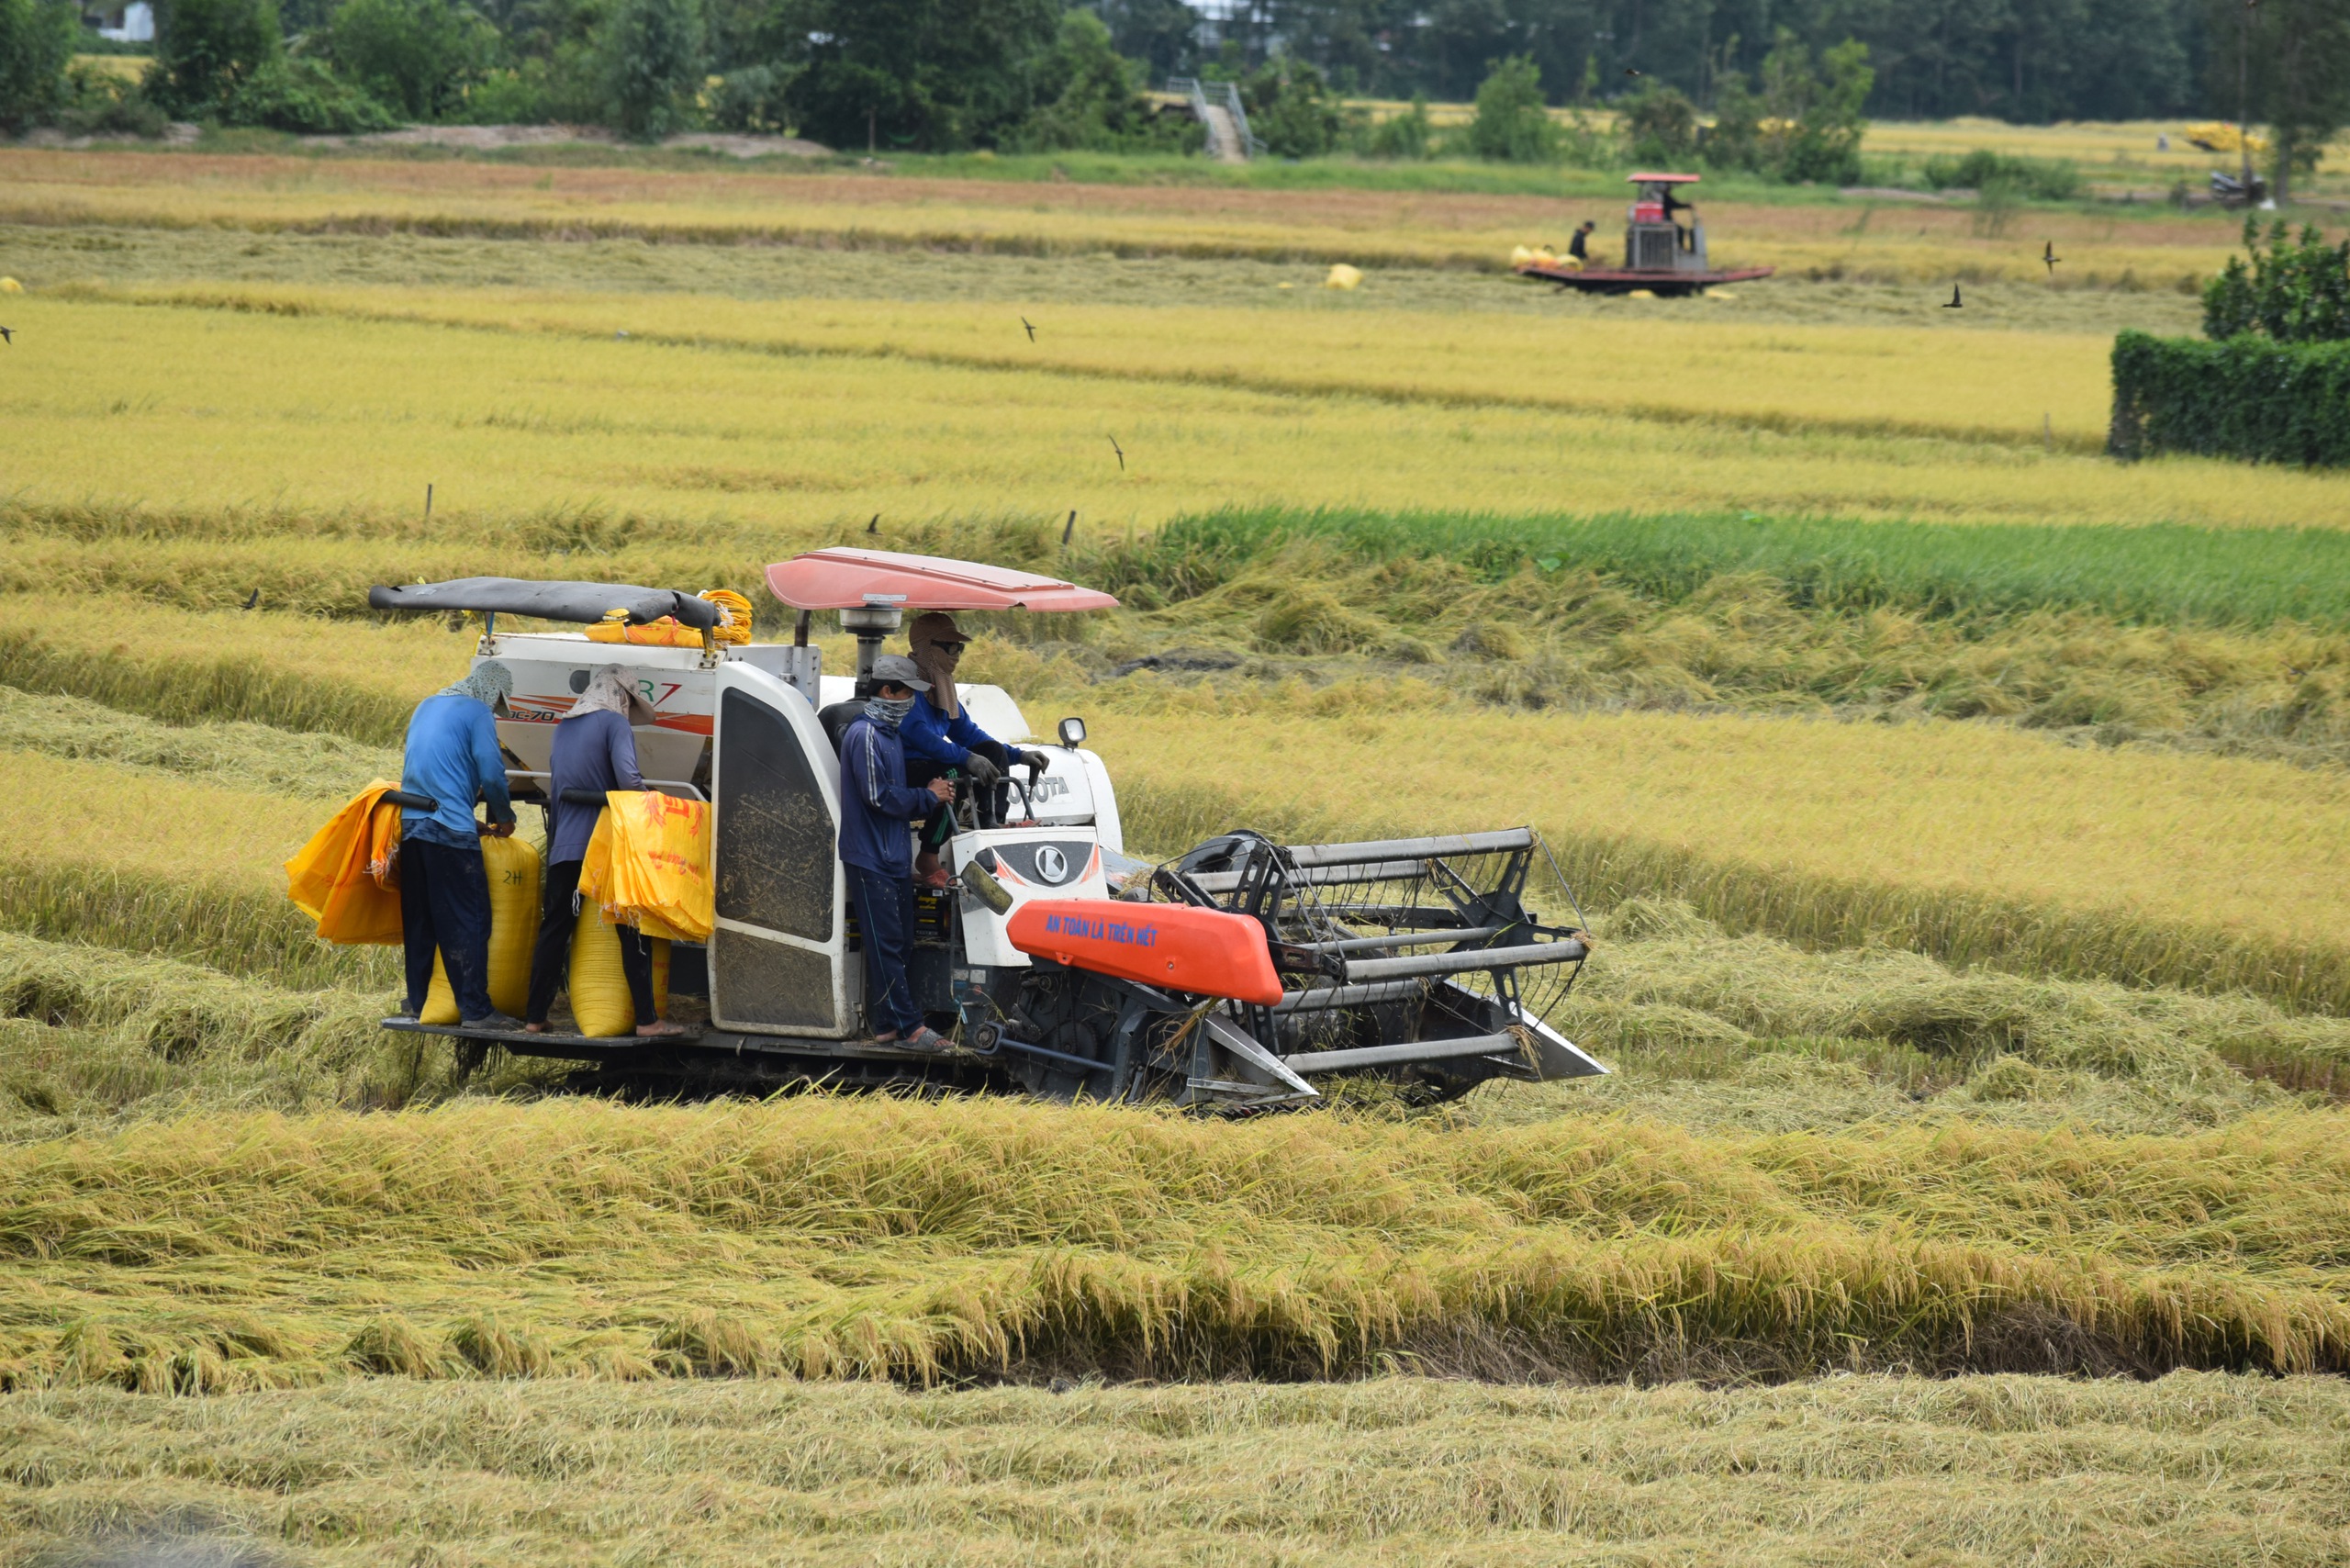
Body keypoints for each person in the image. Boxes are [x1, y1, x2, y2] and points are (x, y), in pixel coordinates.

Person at [523, 666, 686, 1038]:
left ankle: (534, 1017)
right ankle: (648, 1021)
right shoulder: (614, 723)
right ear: (620, 695)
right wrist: (655, 802)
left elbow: (560, 789)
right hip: (605, 846)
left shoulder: (563, 727)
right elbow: (628, 780)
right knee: (631, 928)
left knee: (555, 930)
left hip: (565, 846)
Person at [839, 655, 956, 1051]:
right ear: (887, 691)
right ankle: (910, 1028)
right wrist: (928, 796)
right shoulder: (865, 736)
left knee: (901, 942)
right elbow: (878, 797)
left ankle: (887, 1025)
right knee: (886, 944)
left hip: (891, 857)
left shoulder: (888, 735)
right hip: (869, 858)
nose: (911, 703)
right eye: (908, 694)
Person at [398, 662, 521, 1031]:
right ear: (491, 691)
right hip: (449, 831)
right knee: (469, 919)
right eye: (497, 701)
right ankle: (476, 1011)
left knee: (421, 920)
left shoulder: (427, 704)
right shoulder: (478, 711)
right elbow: (491, 772)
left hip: (411, 825)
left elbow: (429, 764)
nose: (495, 707)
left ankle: (418, 1003)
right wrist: (504, 817)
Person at [899, 611, 1049, 885]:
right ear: (926, 648)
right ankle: (928, 854)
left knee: (992, 751)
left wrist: (1018, 755)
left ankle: (993, 822)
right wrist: (967, 758)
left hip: (934, 764)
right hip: (906, 767)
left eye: (960, 648)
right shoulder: (907, 687)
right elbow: (921, 737)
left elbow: (968, 734)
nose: (957, 655)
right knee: (954, 773)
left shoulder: (942, 687)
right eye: (950, 647)